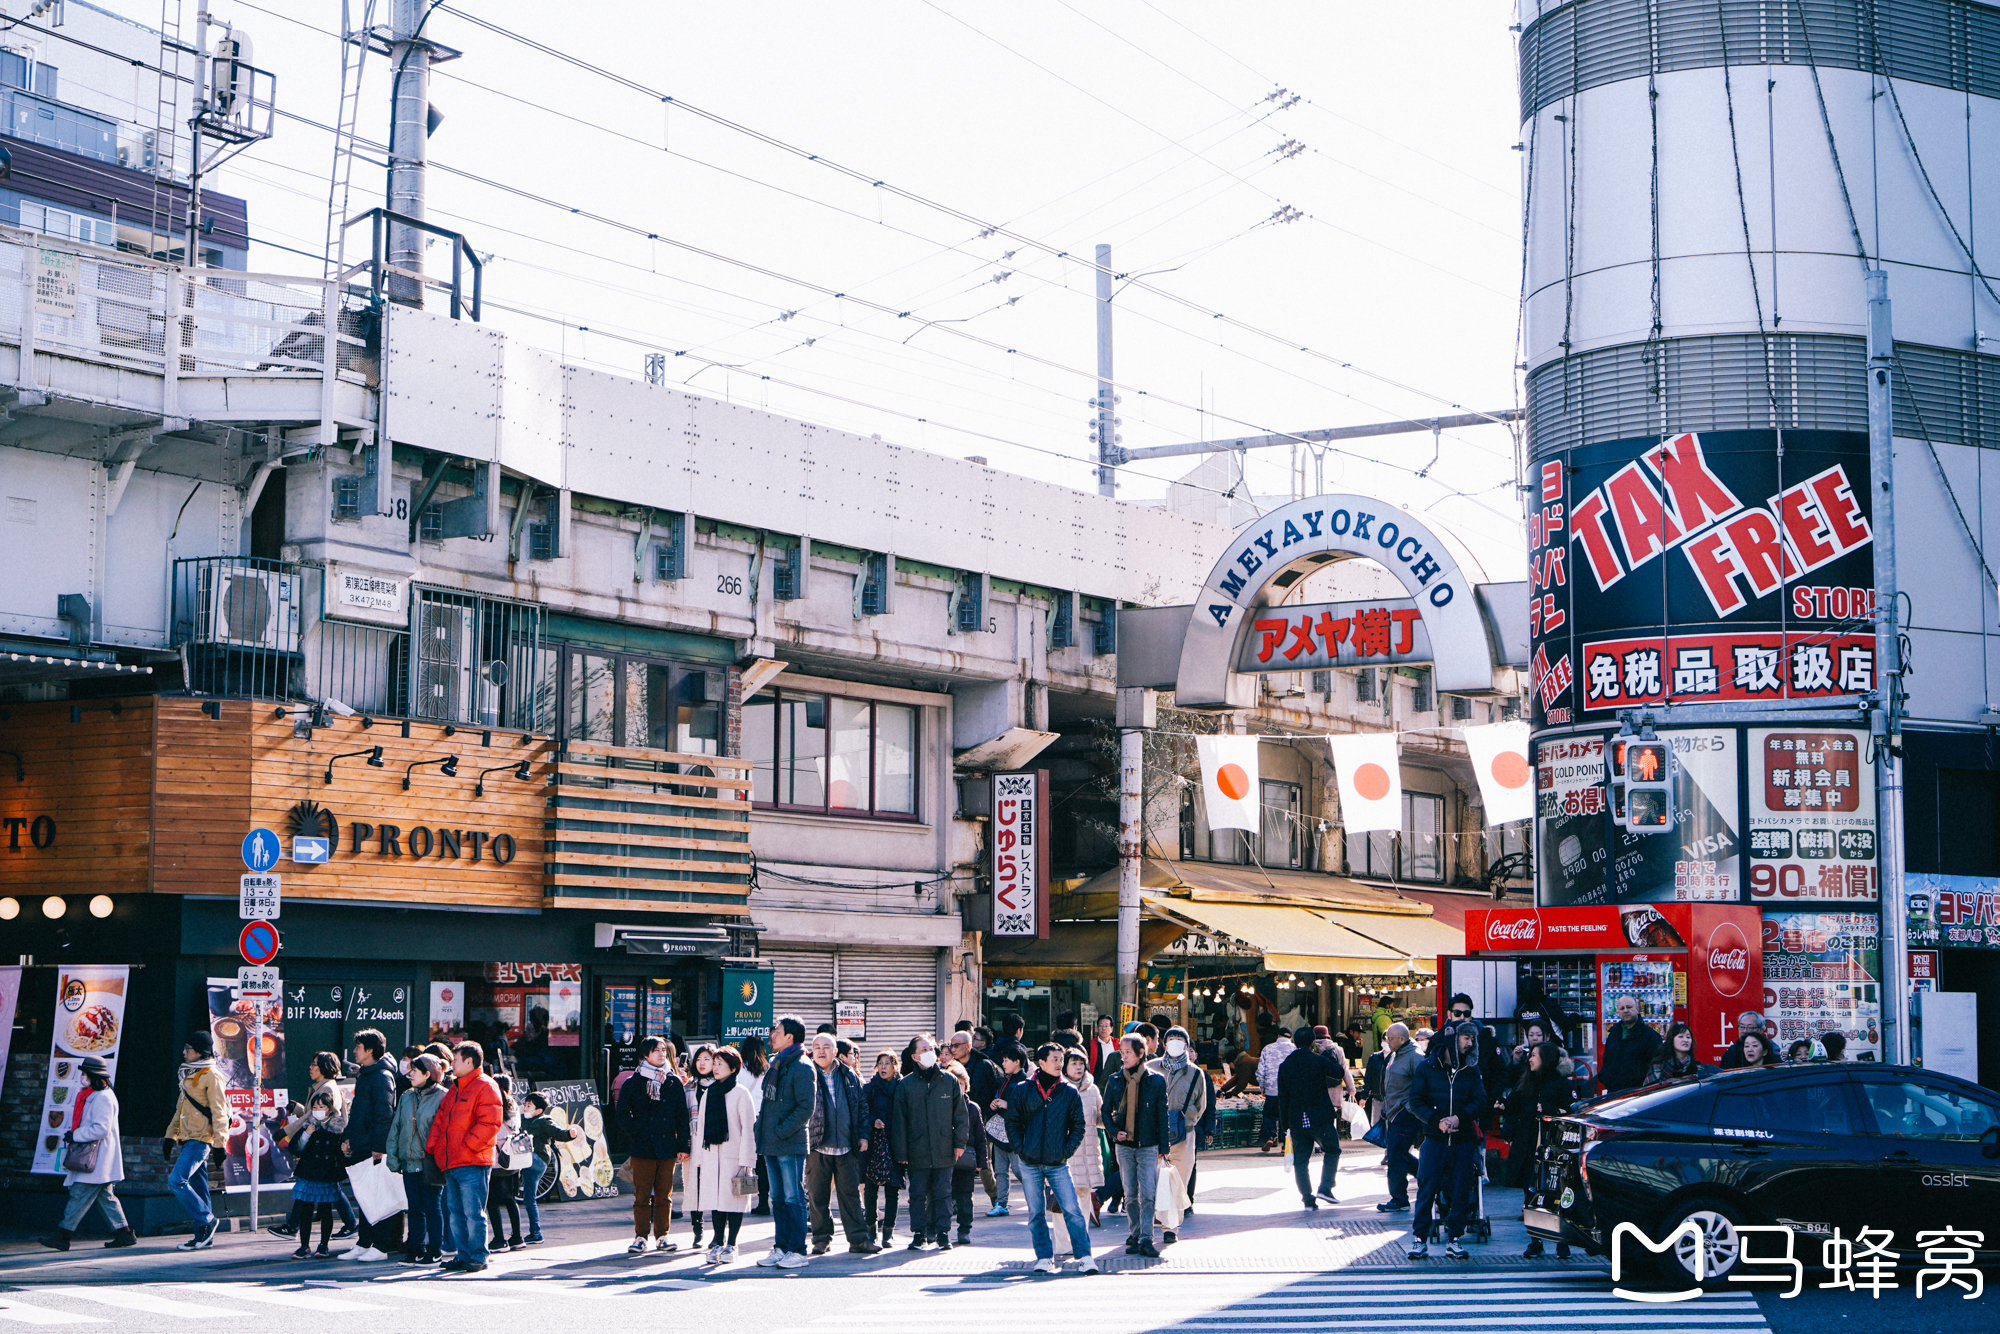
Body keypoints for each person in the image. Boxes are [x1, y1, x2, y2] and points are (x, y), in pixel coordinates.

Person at [1004, 1042, 1096, 1274]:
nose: (1059, 1063)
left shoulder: (1068, 1091)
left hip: (1058, 1162)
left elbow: (1078, 1126)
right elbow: (1012, 1122)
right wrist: (1021, 1149)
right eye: (1054, 1059)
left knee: (1072, 1210)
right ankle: (1044, 1256)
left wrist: (1065, 1151)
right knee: (1035, 1213)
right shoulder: (1023, 1089)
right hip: (1030, 1161)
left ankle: (1084, 1256)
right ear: (1041, 1063)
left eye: (1060, 1059)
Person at [1407, 1021, 1486, 1261]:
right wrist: (1436, 1120)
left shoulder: (1471, 1070)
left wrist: (1459, 1118)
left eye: (1472, 1039)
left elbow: (1480, 1100)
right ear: (1452, 1040)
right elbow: (1415, 1100)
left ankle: (1454, 1238)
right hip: (1434, 1139)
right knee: (1426, 1188)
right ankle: (1419, 1239)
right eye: (1465, 1038)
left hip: (1463, 1140)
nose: (1470, 1043)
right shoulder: (1427, 1067)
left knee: (1461, 1189)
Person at [425, 1040, 504, 1273]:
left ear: (469, 1061)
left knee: (472, 1213)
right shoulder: (457, 1087)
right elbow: (441, 1119)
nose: (452, 1064)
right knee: (457, 1214)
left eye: (455, 1060)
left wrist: (467, 1145)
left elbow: (490, 1123)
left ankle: (478, 1256)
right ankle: (465, 1255)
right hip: (454, 1160)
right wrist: (435, 1147)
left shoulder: (485, 1085)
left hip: (472, 1161)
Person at [40, 1056, 133, 1252]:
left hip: (95, 1158)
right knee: (106, 1198)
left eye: (85, 1074)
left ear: (93, 1076)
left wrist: (75, 1135)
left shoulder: (102, 1098)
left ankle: (63, 1235)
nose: (82, 1077)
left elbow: (101, 1129)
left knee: (78, 1195)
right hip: (97, 1158)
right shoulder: (98, 1095)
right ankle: (124, 1233)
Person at [804, 1033, 878, 1256]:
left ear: (835, 1052)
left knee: (851, 1197)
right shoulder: (806, 1074)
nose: (821, 1051)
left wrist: (863, 1136)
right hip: (817, 1145)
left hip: (847, 1145)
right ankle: (821, 1239)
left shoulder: (849, 1075)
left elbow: (862, 1108)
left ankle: (858, 1240)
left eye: (826, 1047)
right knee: (818, 1197)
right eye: (817, 1047)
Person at [892, 1033, 968, 1252]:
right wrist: (902, 1152)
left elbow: (961, 1116)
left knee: (943, 1193)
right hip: (917, 1150)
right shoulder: (906, 1085)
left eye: (931, 1049)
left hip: (944, 1147)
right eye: (923, 1050)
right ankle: (919, 1234)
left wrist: (959, 1143)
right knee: (917, 1194)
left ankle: (943, 1234)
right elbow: (899, 1122)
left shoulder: (949, 1080)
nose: (929, 1053)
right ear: (915, 1057)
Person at [616, 1035, 691, 1254]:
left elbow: (681, 1116)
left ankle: (663, 1235)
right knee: (641, 1196)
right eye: (656, 1050)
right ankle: (640, 1236)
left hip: (667, 1146)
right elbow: (622, 1114)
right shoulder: (633, 1082)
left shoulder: (673, 1081)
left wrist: (683, 1146)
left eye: (662, 1050)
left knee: (664, 1195)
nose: (661, 1053)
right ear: (646, 1054)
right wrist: (637, 1131)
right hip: (643, 1146)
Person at [755, 1016, 816, 1270]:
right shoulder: (776, 1062)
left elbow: (806, 1108)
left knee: (794, 1198)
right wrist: (762, 1128)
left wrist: (781, 1131)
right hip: (770, 1141)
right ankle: (781, 1247)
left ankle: (798, 1250)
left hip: (789, 1143)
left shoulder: (802, 1066)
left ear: (790, 1036)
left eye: (777, 1031)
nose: (772, 1036)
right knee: (777, 1198)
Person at [686, 1046, 757, 1263]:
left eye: (720, 1064)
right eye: (714, 1064)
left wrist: (747, 1161)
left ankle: (732, 1245)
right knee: (715, 1201)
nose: (715, 1068)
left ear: (733, 1067)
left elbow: (748, 1129)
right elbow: (701, 1129)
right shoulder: (709, 1093)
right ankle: (718, 1241)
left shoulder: (741, 1093)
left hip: (734, 1156)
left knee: (734, 1201)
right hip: (711, 1155)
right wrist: (698, 1158)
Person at [1506, 1042, 1575, 1259]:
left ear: (1546, 1058)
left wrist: (1550, 1111)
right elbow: (1513, 1105)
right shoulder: (1526, 1082)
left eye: (1534, 1055)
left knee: (1555, 1194)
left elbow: (1572, 1111)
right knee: (1531, 1195)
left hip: (1552, 1148)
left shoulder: (1563, 1084)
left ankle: (1561, 1242)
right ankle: (1535, 1240)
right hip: (1528, 1145)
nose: (1530, 1059)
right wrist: (1504, 1112)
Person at [163, 1030, 228, 1251]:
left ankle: (208, 1220)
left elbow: (220, 1113)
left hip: (200, 1140)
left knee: (176, 1181)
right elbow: (180, 1109)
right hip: (189, 1138)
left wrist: (220, 1144)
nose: (183, 1052)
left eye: (187, 1049)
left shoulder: (212, 1076)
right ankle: (203, 1236)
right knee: (200, 1189)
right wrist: (170, 1136)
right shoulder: (189, 1074)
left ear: (199, 1052)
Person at [338, 1027, 398, 1262]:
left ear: (370, 1050)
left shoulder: (382, 1076)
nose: (354, 1051)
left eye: (358, 1047)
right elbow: (358, 1113)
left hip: (374, 1147)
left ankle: (380, 1245)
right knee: (364, 1195)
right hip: (361, 1143)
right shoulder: (366, 1074)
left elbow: (385, 1115)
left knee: (378, 1195)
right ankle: (364, 1241)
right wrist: (348, 1138)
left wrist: (379, 1147)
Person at [1104, 1034, 1166, 1259]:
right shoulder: (1115, 1080)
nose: (1124, 1057)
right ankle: (1135, 1233)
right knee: (1130, 1193)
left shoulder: (1156, 1080)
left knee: (1147, 1193)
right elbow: (1105, 1110)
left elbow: (1162, 1114)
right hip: (1125, 1145)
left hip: (1148, 1144)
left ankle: (1147, 1238)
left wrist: (1164, 1147)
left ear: (1142, 1054)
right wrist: (1114, 1131)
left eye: (1128, 1052)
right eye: (1122, 1052)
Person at [386, 1053, 447, 1263]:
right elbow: (396, 1128)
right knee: (414, 1208)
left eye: (414, 1071)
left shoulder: (443, 1096)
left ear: (428, 1074)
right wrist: (393, 1157)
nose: (409, 1074)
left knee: (432, 1207)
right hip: (408, 1161)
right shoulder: (406, 1096)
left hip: (430, 1162)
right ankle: (416, 1248)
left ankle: (434, 1249)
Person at [1275, 1025, 1344, 1210]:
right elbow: (1338, 1072)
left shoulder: (1285, 1066)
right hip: (1320, 1116)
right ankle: (1325, 1187)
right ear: (1313, 1042)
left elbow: (1283, 1098)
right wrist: (1327, 1054)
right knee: (1332, 1150)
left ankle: (1308, 1199)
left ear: (1294, 1042)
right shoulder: (1318, 1061)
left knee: (1301, 1161)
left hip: (1297, 1119)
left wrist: (1284, 1125)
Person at [1150, 1026, 1207, 1245]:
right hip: (1154, 1134)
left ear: (1187, 1045)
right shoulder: (1151, 1067)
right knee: (1153, 1181)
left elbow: (1200, 1105)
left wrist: (1186, 1117)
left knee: (1178, 1181)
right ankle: (1151, 1224)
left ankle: (1171, 1228)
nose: (1174, 1042)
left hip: (1184, 1135)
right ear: (1164, 1044)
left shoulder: (1195, 1072)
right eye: (1170, 1038)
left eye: (1179, 1039)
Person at [286, 1087, 350, 1259]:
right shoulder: (309, 1125)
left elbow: (341, 1152)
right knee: (305, 1210)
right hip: (308, 1173)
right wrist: (307, 1135)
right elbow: (296, 1149)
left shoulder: (337, 1128)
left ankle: (323, 1245)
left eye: (321, 1107)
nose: (317, 1111)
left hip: (327, 1173)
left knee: (325, 1210)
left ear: (329, 1109)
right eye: (314, 1107)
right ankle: (304, 1245)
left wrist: (346, 1153)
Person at [517, 1090, 581, 1246]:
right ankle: (536, 1233)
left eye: (529, 1106)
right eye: (525, 1105)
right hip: (528, 1165)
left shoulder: (544, 1121)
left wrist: (570, 1134)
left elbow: (558, 1133)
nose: (525, 1108)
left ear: (538, 1110)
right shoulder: (520, 1120)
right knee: (529, 1199)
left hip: (538, 1159)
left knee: (517, 1153)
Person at [947, 1030, 1004, 1207]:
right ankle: (953, 1200)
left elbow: (1000, 1086)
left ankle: (996, 1197)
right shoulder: (951, 1067)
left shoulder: (984, 1065)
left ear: (968, 1046)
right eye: (951, 1045)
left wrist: (993, 1111)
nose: (953, 1049)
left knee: (983, 1161)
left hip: (980, 1118)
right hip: (953, 1120)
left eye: (957, 1045)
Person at [1372, 1023, 1423, 1214]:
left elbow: (1422, 1085)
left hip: (1405, 1113)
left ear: (1402, 1039)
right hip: (1394, 1112)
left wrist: (1410, 1108)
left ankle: (1399, 1198)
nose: (1387, 1041)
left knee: (1395, 1154)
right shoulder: (1395, 1055)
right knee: (1398, 1153)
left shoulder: (1415, 1057)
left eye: (1390, 1038)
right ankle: (1431, 1178)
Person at [861, 1050, 903, 1247]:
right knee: (870, 1188)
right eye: (881, 1063)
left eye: (888, 1063)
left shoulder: (902, 1087)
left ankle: (888, 1233)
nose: (884, 1066)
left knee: (892, 1189)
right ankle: (871, 1231)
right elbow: (861, 1113)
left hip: (895, 1143)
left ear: (896, 1066)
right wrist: (873, 1121)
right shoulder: (869, 1088)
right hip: (873, 1143)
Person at [943, 1061, 987, 1248]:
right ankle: (940, 1230)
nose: (958, 1088)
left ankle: (964, 1229)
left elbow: (980, 1137)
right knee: (943, 1195)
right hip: (944, 1158)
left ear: (966, 1086)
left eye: (961, 1084)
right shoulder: (942, 1106)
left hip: (967, 1159)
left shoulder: (973, 1108)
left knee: (965, 1197)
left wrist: (982, 1161)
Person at [1060, 1048, 1105, 1226]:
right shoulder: (1059, 1089)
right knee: (1066, 1198)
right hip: (1068, 1151)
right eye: (1074, 1063)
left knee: (1085, 1195)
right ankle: (1066, 1243)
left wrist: (1113, 1118)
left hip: (1088, 1151)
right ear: (1065, 1066)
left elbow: (1099, 1119)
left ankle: (1082, 1239)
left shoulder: (1092, 1089)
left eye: (1081, 1064)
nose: (1078, 1068)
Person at [483, 1075, 527, 1253]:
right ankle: (517, 1237)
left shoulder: (495, 1104)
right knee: (510, 1199)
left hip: (496, 1159)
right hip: (513, 1159)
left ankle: (499, 1239)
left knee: (492, 1202)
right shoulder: (514, 1105)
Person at [983, 1045, 1026, 1216]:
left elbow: (1027, 1108)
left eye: (1007, 1060)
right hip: (1000, 1132)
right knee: (1000, 1170)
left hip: (1016, 1134)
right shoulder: (1006, 1080)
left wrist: (1007, 1105)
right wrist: (995, 1104)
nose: (1003, 1063)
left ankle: (1038, 1196)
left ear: (1017, 1062)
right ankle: (1001, 1203)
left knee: (1019, 1170)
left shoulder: (1024, 1082)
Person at [1598, 995, 1664, 1093]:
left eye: (1629, 1007)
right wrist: (1605, 1078)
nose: (1625, 1011)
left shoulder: (1651, 1036)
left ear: (1637, 1009)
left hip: (1639, 1094)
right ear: (1618, 1012)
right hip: (1614, 1092)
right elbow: (1607, 1060)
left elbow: (1657, 1068)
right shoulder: (1613, 1034)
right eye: (1622, 1008)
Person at [737, 1036, 770, 1216]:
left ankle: (744, 1199)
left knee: (747, 1160)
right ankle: (764, 1201)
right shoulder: (768, 1068)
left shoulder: (740, 1070)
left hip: (746, 1119)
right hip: (764, 1119)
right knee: (763, 1162)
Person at [1254, 1024, 1296, 1153]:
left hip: (1271, 1089)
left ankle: (1270, 1137)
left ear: (1278, 1036)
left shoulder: (1267, 1049)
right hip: (1289, 1091)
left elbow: (1260, 1070)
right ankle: (1285, 1145)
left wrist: (1262, 1085)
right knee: (1288, 1117)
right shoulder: (1295, 1049)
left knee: (1270, 1115)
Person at [1088, 1015, 1120, 1088]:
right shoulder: (1090, 1045)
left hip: (1115, 1082)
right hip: (1096, 1082)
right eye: (1101, 1026)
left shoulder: (1118, 1044)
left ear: (1111, 1029)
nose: (1103, 1028)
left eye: (1106, 1026)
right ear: (1097, 1028)